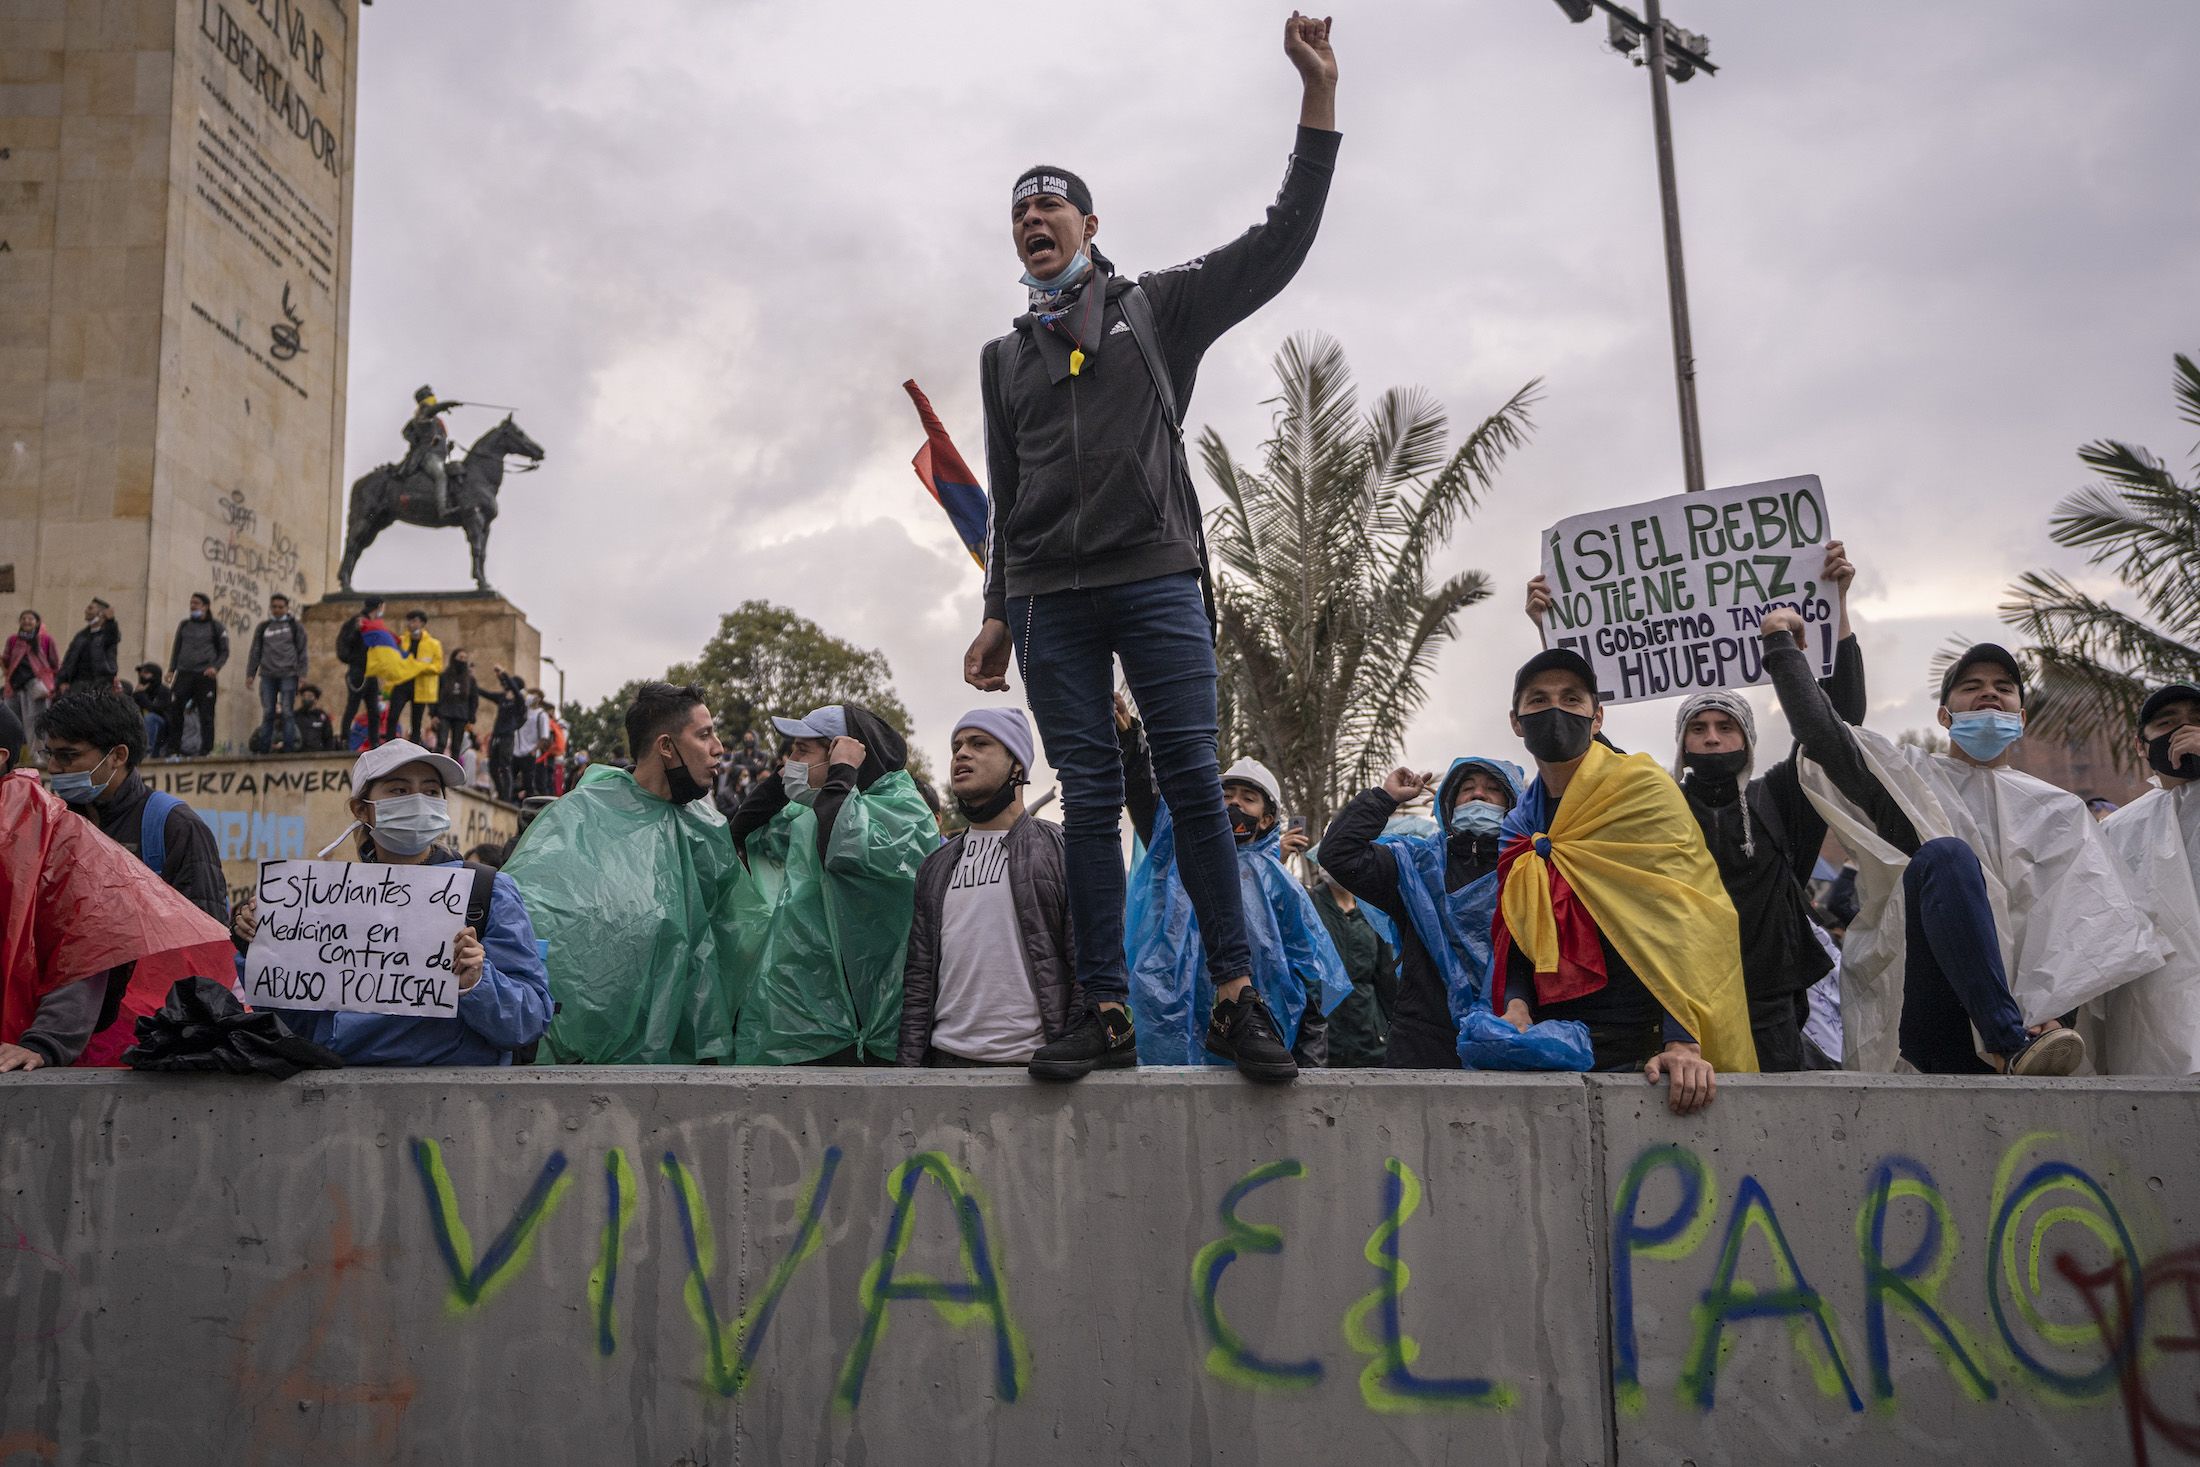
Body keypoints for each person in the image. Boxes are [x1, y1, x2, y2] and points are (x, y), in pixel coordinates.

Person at [960, 14, 1341, 1081]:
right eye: (1019, 209)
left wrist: (1317, 94)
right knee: (1088, 796)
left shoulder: (1153, 308)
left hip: (1155, 574)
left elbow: (1281, 241)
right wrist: (996, 606)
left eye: (1051, 202)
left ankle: (1234, 999)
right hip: (1045, 597)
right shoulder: (1003, 356)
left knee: (1187, 780)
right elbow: (1006, 482)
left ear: (1088, 222)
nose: (1033, 216)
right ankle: (1104, 1011)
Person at [1770, 619, 2162, 1075]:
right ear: (1944, 715)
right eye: (1972, 686)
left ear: (2021, 716)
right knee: (1946, 855)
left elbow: (2091, 925)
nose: (1989, 693)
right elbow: (1826, 736)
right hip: (1927, 1007)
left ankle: (2022, 1040)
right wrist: (1784, 646)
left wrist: (2059, 1012)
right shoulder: (1907, 781)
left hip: (2037, 1022)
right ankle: (2005, 1040)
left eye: (2003, 687)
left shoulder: (2061, 813)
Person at [1547, 542, 1864, 1072]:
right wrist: (1555, 634)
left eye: (1725, 727)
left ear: (1748, 737)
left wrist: (1837, 606)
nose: (1712, 738)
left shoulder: (1784, 798)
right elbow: (1583, 749)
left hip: (1770, 1013)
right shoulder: (1655, 802)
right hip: (1680, 1014)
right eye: (1698, 728)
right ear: (1681, 743)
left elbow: (1838, 726)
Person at [1492, 649, 1757, 1113]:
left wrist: (1682, 1042)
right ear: (1517, 721)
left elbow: (1687, 917)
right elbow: (1518, 926)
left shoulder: (1641, 789)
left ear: (1596, 719)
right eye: (1538, 700)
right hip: (1552, 1046)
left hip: (1644, 1048)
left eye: (1571, 699)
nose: (1555, 709)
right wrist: (1516, 1004)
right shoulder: (1521, 824)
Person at [233, 739, 550, 1065]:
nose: (418, 802)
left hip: (466, 1104)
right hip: (347, 1100)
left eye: (430, 791)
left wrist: (477, 984)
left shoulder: (488, 891)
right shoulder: (323, 902)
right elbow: (298, 1029)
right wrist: (258, 949)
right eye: (398, 791)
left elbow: (530, 1021)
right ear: (361, 809)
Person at [504, 682, 744, 1064]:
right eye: (704, 735)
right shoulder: (578, 816)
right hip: (578, 1065)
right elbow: (528, 917)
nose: (718, 748)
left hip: (683, 1067)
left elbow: (729, 941)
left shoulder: (707, 829)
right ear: (666, 747)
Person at [1116, 701, 1348, 1077]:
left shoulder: (1282, 885)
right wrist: (1130, 741)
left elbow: (1309, 980)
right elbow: (1145, 801)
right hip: (1169, 1041)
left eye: (1247, 798)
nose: (1233, 803)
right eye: (1226, 794)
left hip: (1254, 1047)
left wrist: (1311, 1064)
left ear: (1267, 818)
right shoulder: (1175, 853)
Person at [1320, 756, 1590, 1070]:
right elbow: (1338, 853)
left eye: (1493, 789)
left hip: (1512, 1033)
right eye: (1467, 789)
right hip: (1422, 1041)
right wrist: (1385, 798)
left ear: (1512, 805)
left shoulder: (1535, 870)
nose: (1479, 795)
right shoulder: (1414, 866)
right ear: (1450, 803)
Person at [727, 703, 938, 1066]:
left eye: (801, 749)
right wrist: (795, 777)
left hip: (867, 1034)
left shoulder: (902, 812)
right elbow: (746, 830)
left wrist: (840, 773)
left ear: (844, 754)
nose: (788, 760)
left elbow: (846, 848)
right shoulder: (813, 812)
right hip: (807, 1022)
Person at [1, 767, 234, 1072]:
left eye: (69, 756)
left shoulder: (61, 833)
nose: (57, 768)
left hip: (81, 1043)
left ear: (118, 756)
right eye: (51, 755)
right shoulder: (45, 821)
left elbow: (87, 945)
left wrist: (44, 1043)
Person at [898, 709, 1080, 1068]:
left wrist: (1068, 1058)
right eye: (956, 746)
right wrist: (908, 1071)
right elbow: (918, 981)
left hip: (1036, 1073)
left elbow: (1084, 968)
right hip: (945, 1066)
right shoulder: (934, 866)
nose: (962, 753)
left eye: (979, 743)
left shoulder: (1061, 849)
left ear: (1017, 765)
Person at [2083, 684, 2200, 1075]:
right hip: (2150, 1026)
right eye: (2167, 724)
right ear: (2140, 746)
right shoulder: (2116, 830)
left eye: (2196, 722)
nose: (2185, 733)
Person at [1301, 844, 1395, 1068]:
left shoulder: (1372, 911)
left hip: (1368, 1040)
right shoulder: (1308, 903)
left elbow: (1386, 977)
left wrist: (1389, 1028)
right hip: (1322, 1037)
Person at [245, 592, 310, 753]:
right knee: (268, 713)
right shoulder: (263, 627)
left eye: (281, 607)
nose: (277, 610)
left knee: (287, 712)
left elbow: (302, 652)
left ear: (287, 608)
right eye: (274, 607)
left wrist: (302, 675)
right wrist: (250, 674)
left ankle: (288, 750)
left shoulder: (295, 627)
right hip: (267, 675)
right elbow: (256, 651)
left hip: (288, 674)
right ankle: (264, 749)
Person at [167, 592, 229, 756]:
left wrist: (215, 667)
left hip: (205, 676)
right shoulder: (184, 625)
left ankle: (206, 750)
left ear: (206, 606)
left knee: (206, 714)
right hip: (184, 673)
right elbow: (177, 648)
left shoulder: (216, 627)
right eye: (191, 603)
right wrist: (171, 670)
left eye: (196, 603)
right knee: (175, 709)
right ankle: (174, 748)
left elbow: (224, 651)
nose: (193, 606)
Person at [402, 385, 463, 523]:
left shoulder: (437, 421)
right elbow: (433, 410)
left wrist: (448, 447)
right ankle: (442, 509)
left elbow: (439, 439)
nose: (434, 400)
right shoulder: (423, 415)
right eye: (431, 398)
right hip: (427, 457)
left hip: (440, 457)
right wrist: (448, 404)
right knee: (440, 475)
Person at [382, 609, 443, 746]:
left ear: (422, 623)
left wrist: (421, 667)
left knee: (416, 720)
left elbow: (438, 666)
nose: (411, 624)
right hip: (402, 683)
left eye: (414, 621)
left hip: (420, 685)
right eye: (409, 621)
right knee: (393, 716)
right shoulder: (401, 641)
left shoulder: (433, 644)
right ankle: (390, 744)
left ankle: (414, 745)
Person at [335, 598, 386, 753]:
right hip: (358, 671)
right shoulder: (356, 622)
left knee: (374, 710)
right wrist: (356, 631)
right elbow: (344, 645)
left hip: (371, 672)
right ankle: (345, 740)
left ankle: (374, 742)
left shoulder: (375, 624)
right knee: (353, 706)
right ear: (378, 607)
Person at [4, 611, 59, 741]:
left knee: (36, 722)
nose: (26, 621)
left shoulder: (46, 639)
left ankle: (39, 755)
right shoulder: (13, 640)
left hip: (36, 686)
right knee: (11, 720)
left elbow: (55, 663)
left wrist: (53, 683)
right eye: (24, 618)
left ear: (37, 622)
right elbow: (7, 659)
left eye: (30, 618)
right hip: (15, 686)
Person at [479, 664, 529, 801]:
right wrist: (471, 683)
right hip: (496, 735)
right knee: (492, 766)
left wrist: (504, 673)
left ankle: (506, 797)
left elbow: (514, 689)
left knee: (505, 766)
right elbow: (486, 694)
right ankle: (501, 793)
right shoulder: (502, 698)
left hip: (507, 737)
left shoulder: (519, 701)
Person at [56, 598, 120, 697]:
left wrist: (111, 620)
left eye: (90, 608)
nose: (86, 611)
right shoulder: (81, 636)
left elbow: (113, 636)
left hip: (100, 685)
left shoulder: (107, 634)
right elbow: (69, 659)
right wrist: (62, 681)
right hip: (77, 685)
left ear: (102, 613)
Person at [434, 646, 480, 756]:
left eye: (465, 658)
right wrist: (433, 713)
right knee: (441, 742)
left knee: (456, 746)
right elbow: (435, 695)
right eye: (460, 657)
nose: (462, 660)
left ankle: (454, 770)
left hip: (461, 715)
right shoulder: (444, 676)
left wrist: (471, 717)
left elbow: (474, 699)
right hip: (444, 713)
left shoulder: (470, 680)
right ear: (454, 658)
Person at [131, 664, 173, 757]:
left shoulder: (163, 691)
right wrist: (135, 696)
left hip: (162, 726)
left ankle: (146, 752)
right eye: (141, 673)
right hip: (143, 728)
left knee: (150, 718)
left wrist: (141, 695)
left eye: (146, 673)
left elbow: (157, 710)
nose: (142, 676)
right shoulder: (139, 692)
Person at [294, 683, 337, 753]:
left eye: (309, 696)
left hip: (317, 754)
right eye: (304, 696)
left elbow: (328, 738)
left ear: (316, 699)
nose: (306, 698)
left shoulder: (322, 717)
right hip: (299, 755)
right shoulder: (296, 715)